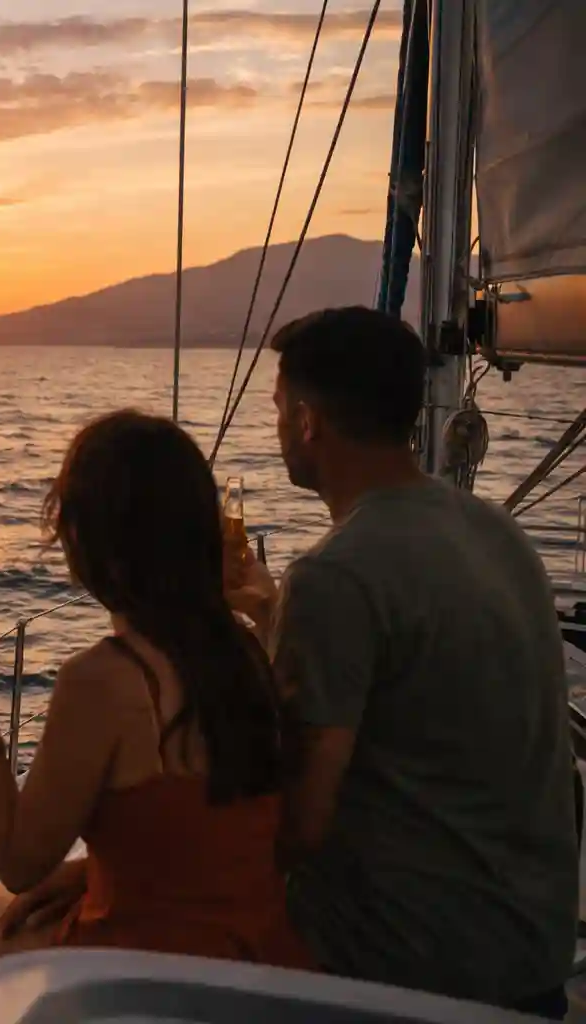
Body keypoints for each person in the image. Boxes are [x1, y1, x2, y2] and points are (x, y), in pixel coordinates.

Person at [228, 306, 577, 1016]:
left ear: (307, 422)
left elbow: (301, 826)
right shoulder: (494, 531)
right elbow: (410, 679)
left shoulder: (336, 576)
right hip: (530, 951)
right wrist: (272, 614)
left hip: (406, 968)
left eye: (277, 407)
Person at [0, 410, 310, 974]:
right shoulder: (246, 651)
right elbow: (208, 828)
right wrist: (89, 871)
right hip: (257, 959)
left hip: (148, 971)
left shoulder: (101, 680)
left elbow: (19, 864)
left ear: (88, 538)